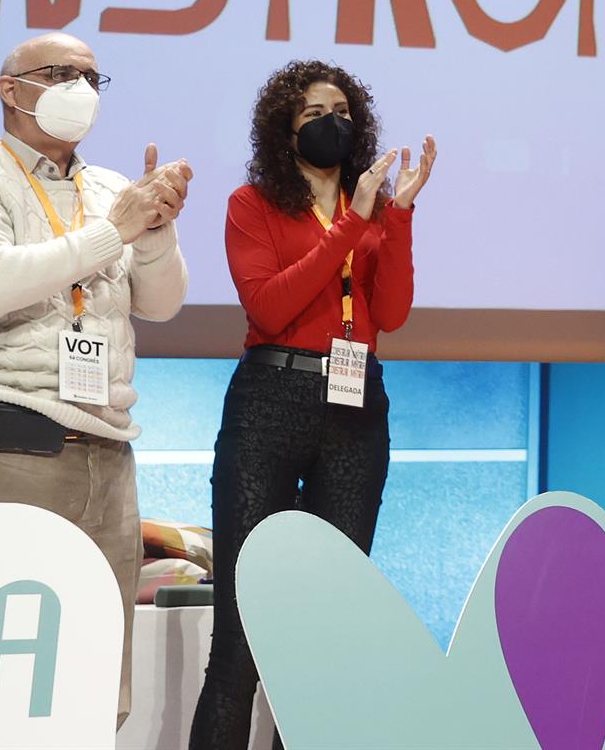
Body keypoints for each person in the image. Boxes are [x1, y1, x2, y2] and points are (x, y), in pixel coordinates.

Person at [0, 31, 192, 726]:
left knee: (93, 684)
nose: (80, 90)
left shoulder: (111, 190)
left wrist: (155, 233)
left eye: (92, 77)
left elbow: (161, 305)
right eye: (61, 73)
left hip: (104, 450)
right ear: (11, 90)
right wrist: (114, 233)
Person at [191, 60, 434, 750]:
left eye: (343, 112)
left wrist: (398, 216)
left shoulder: (376, 209)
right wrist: (352, 224)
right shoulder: (253, 204)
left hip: (356, 410)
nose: (333, 123)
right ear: (284, 130)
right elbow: (271, 307)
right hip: (270, 401)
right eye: (314, 114)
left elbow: (392, 312)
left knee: (330, 633)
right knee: (240, 638)